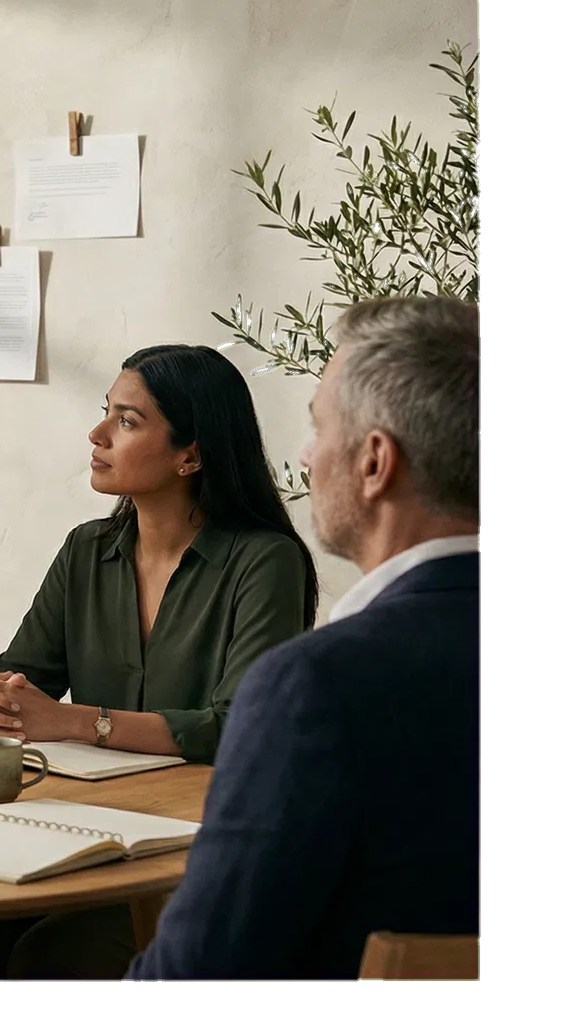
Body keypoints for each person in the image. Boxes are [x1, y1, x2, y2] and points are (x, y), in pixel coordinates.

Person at [0, 343, 320, 985]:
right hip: (78, 826)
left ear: (192, 453)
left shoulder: (265, 562)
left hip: (196, 845)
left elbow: (240, 727)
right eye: (107, 413)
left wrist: (77, 722)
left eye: (127, 421)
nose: (97, 433)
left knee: (58, 959)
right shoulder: (87, 550)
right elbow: (23, 673)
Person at [128, 297, 480, 982]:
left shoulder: (315, 686)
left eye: (319, 427)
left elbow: (195, 973)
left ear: (376, 462)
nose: (305, 454)